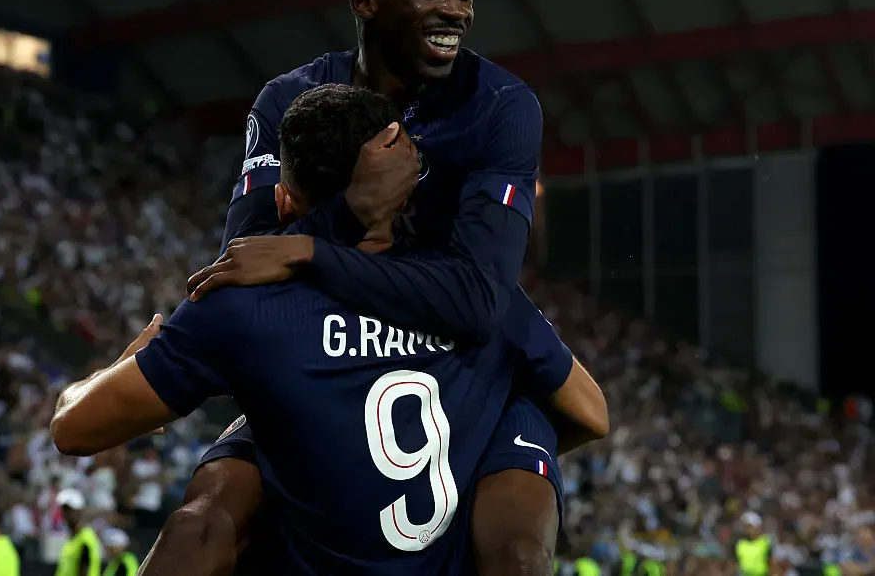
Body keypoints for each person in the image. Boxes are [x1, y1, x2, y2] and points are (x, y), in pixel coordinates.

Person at [180, 0, 608, 573]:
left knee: (520, 551)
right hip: (329, 361)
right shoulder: (288, 101)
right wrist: (345, 221)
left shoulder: (500, 105)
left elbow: (475, 304)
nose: (455, 9)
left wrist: (312, 250)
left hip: (464, 366)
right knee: (200, 520)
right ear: (364, 0)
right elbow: (250, 264)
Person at [49, 85, 597, 576]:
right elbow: (591, 413)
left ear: (284, 199)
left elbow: (72, 428)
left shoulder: (243, 304)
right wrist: (485, 438)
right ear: (405, 196)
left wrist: (125, 367)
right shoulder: (471, 296)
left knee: (202, 518)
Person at [53, 489, 101, 576]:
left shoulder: (85, 539)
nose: (66, 514)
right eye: (64, 510)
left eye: (69, 510)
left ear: (79, 511)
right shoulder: (73, 539)